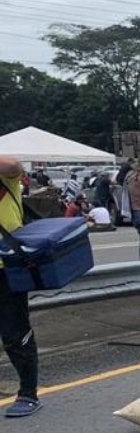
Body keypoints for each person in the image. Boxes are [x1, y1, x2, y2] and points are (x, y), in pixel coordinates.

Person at [0, 154, 40, 416]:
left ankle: (28, 393)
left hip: (6, 270)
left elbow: (14, 165)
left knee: (15, 334)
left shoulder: (6, 179)